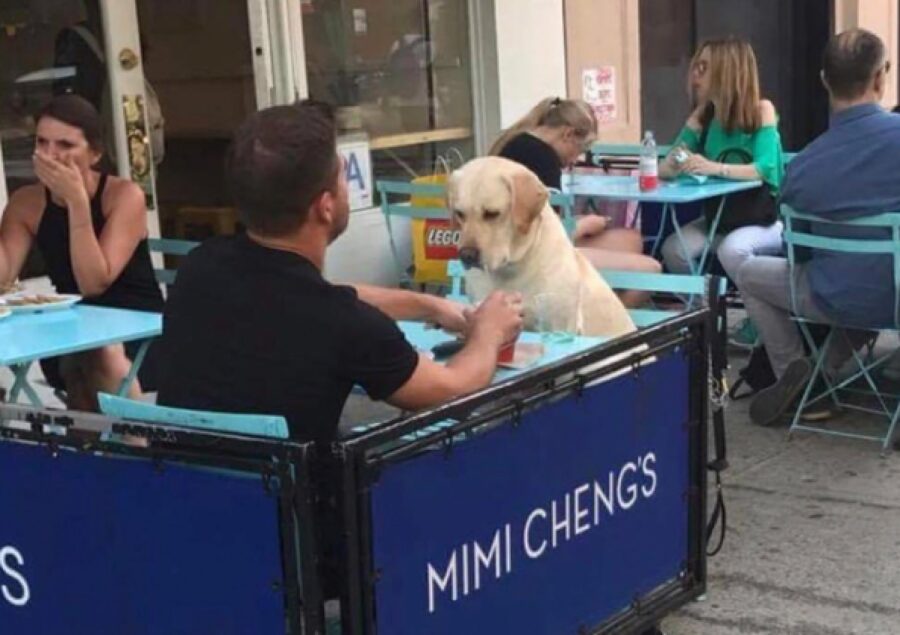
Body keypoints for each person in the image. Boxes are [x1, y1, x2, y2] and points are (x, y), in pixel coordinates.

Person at [156, 100, 523, 444]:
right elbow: (450, 388)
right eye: (343, 179)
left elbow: (317, 295)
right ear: (326, 206)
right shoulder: (347, 325)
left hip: (187, 490)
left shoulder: (200, 266)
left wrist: (425, 304)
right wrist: (489, 332)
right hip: (295, 505)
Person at [737, 29, 900, 427]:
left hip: (834, 296)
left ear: (824, 79)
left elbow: (799, 255)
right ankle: (815, 376)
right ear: (882, 77)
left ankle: (798, 374)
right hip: (893, 294)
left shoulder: (804, 165)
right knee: (877, 270)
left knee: (747, 270)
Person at [0, 95, 164, 409]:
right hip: (69, 331)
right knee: (83, 358)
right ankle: (96, 448)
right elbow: (4, 274)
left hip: (139, 330)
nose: (51, 155)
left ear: (95, 154)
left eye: (65, 145)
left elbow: (93, 283)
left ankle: (136, 444)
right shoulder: (27, 202)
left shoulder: (123, 196)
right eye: (42, 142)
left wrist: (77, 203)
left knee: (99, 356)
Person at [489, 97, 662, 307]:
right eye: (579, 151)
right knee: (651, 270)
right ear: (568, 134)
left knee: (631, 239)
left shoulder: (516, 143)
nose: (574, 161)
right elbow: (544, 237)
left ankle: (595, 308)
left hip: (513, 251)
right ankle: (604, 327)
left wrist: (576, 222)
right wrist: (583, 225)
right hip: (531, 260)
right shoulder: (544, 159)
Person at [658, 37, 785, 283]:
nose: (695, 75)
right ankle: (707, 309)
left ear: (726, 72)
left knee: (732, 250)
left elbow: (764, 168)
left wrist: (712, 167)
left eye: (704, 68)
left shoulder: (761, 111)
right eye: (696, 67)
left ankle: (753, 308)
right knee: (673, 249)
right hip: (718, 219)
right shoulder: (704, 116)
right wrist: (676, 162)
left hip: (763, 221)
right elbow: (665, 167)